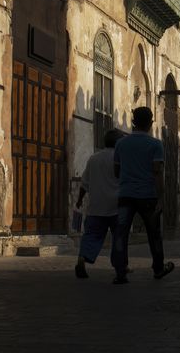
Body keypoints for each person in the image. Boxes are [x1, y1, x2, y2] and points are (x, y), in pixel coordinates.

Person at [111, 106, 174, 285]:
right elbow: (157, 173)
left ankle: (120, 272)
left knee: (121, 234)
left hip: (126, 195)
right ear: (151, 123)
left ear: (133, 122)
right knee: (153, 234)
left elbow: (116, 171)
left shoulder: (121, 144)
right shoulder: (155, 145)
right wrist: (161, 197)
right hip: (148, 196)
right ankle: (158, 268)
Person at [73, 129, 124, 279]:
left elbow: (84, 183)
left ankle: (82, 258)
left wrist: (79, 200)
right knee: (119, 238)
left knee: (91, 235)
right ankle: (120, 268)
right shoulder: (120, 158)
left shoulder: (93, 159)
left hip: (96, 206)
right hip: (116, 207)